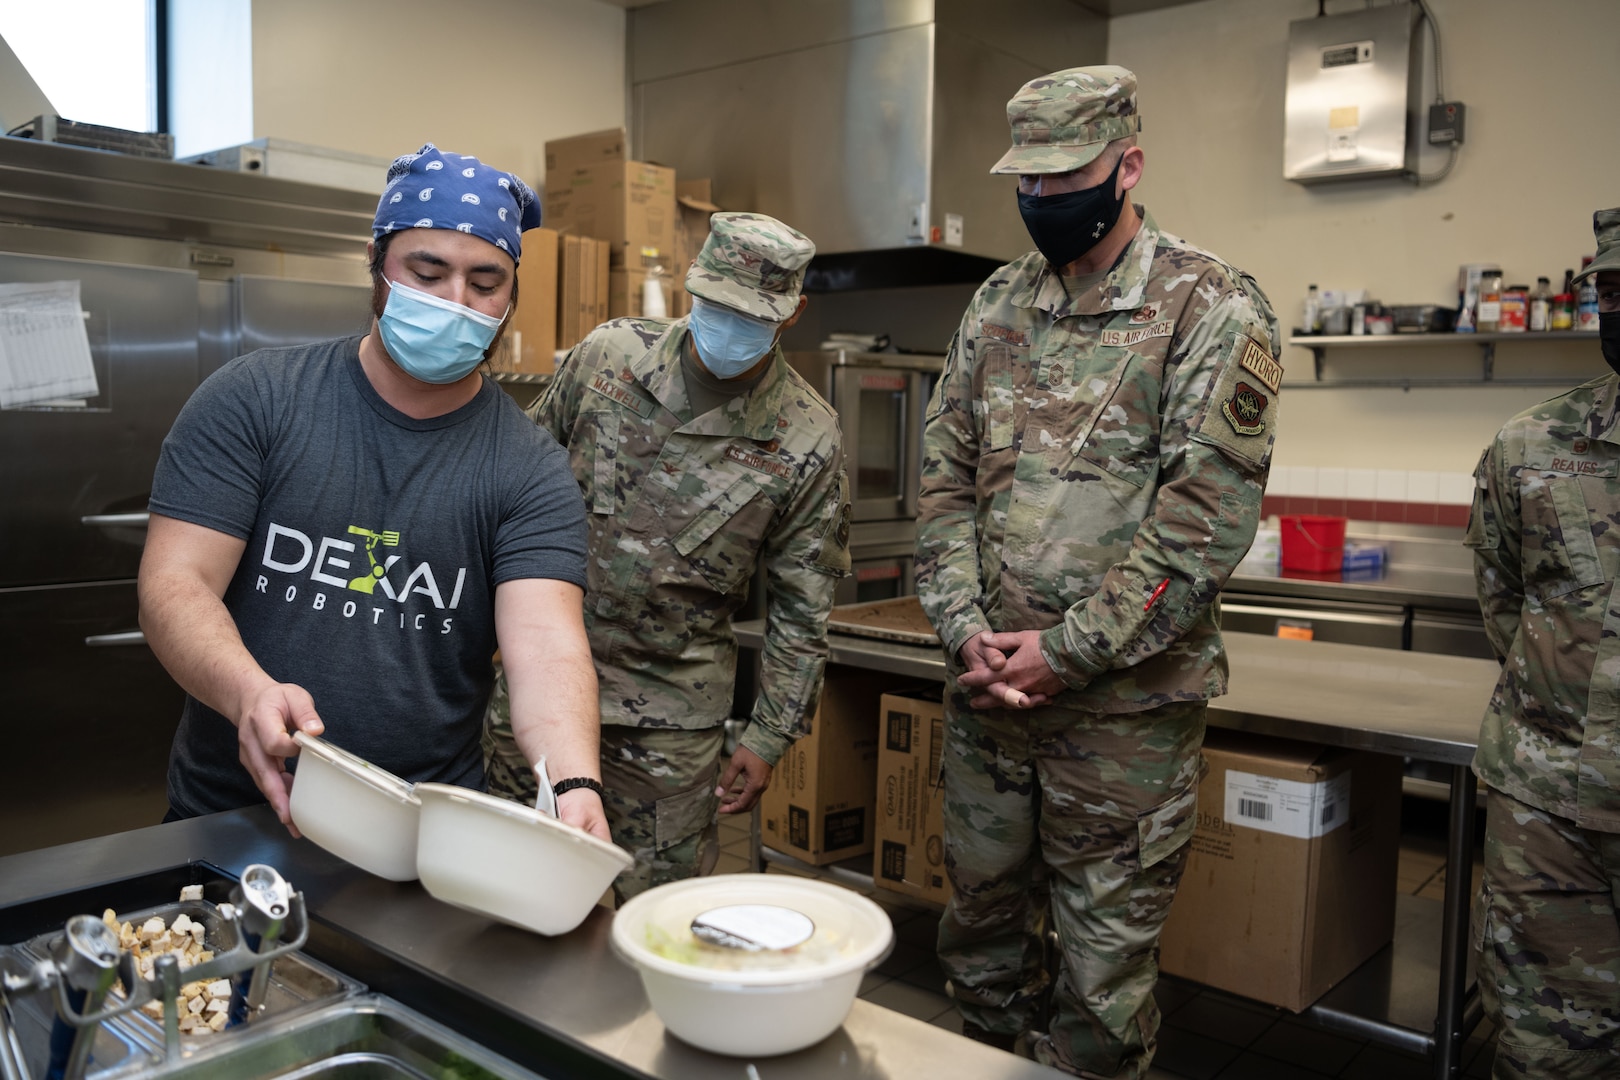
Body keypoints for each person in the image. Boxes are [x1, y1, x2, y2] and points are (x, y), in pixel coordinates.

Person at [915, 67, 1280, 1077]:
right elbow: (941, 484)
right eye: (1023, 183)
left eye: (1062, 178)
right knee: (979, 953)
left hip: (1122, 724)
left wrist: (1066, 655)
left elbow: (1202, 526)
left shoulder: (1208, 307)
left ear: (1128, 166)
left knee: (1101, 993)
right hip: (990, 700)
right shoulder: (994, 307)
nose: (1040, 201)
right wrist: (962, 628)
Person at [139, 144, 609, 842]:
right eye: (428, 271)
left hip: (418, 838)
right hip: (229, 815)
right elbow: (175, 585)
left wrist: (571, 782)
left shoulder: (528, 467)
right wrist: (249, 692)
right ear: (377, 263)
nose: (456, 302)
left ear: (512, 293)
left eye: (485, 282)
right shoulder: (256, 400)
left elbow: (545, 646)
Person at [484, 212, 851, 898]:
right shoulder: (608, 356)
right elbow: (514, 484)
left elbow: (804, 610)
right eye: (717, 303)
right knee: (509, 894)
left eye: (752, 312)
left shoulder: (806, 437)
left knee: (645, 913)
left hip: (669, 727)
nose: (729, 322)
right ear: (692, 286)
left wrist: (770, 735)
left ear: (793, 312)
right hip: (539, 686)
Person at [1465, 208, 1620, 1079]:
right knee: (1541, 1055)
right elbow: (1505, 601)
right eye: (1614, 290)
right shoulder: (1533, 445)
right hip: (1548, 818)